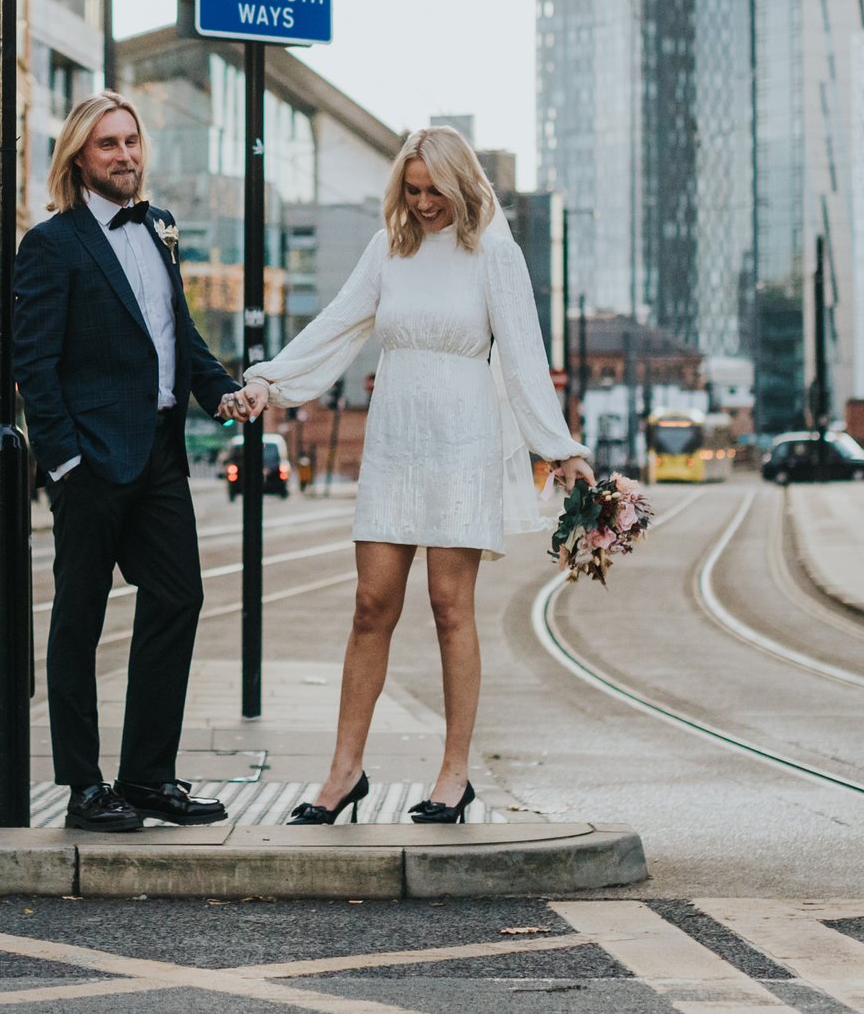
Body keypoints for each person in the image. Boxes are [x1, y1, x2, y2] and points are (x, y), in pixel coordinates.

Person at [222, 126, 593, 827]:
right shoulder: (390, 246)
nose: (423, 203)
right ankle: (344, 772)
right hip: (395, 438)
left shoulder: (494, 254)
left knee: (451, 606)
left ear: (462, 185)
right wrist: (271, 381)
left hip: (462, 440)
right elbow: (337, 323)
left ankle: (455, 775)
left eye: (435, 191)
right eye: (413, 189)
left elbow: (522, 355)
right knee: (371, 604)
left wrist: (559, 445)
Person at [14, 91, 243, 834]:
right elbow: (35, 366)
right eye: (108, 143)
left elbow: (179, 337)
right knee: (78, 622)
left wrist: (225, 393)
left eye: (131, 141)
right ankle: (84, 785)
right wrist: (64, 463)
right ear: (79, 156)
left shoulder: (160, 230)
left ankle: (147, 777)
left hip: (160, 458)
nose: (124, 155)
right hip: (91, 464)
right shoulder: (52, 243)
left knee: (178, 599)